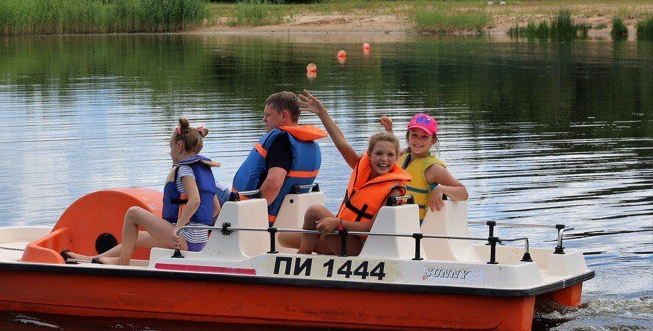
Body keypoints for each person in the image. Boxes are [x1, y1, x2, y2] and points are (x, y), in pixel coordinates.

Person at [66, 118, 219, 265]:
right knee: (137, 237)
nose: (170, 152)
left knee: (133, 213)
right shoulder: (202, 170)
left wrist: (178, 228)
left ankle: (122, 261)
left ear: (179, 147)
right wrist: (197, 229)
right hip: (198, 243)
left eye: (171, 147)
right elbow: (216, 209)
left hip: (185, 240)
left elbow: (195, 200)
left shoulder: (184, 170)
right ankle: (90, 259)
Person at [296, 90, 411, 255]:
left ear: (396, 158)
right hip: (346, 234)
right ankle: (306, 256)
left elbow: (371, 228)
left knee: (314, 211)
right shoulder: (360, 166)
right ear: (369, 155)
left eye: (390, 155)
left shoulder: (394, 189)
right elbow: (341, 142)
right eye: (379, 153)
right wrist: (322, 113)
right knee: (284, 238)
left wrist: (338, 222)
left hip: (365, 247)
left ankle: (302, 259)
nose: (384, 159)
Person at [231, 91, 327, 225]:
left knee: (208, 190)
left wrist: (250, 214)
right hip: (285, 219)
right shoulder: (310, 145)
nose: (264, 119)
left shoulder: (281, 142)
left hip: (258, 219)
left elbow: (274, 184)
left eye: (268, 115)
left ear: (284, 115)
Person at [381, 113, 468, 222]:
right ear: (408, 136)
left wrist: (441, 189)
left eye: (424, 136)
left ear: (433, 140)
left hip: (415, 227)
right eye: (414, 135)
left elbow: (463, 193)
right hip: (394, 221)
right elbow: (394, 150)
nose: (418, 141)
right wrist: (389, 130)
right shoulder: (403, 156)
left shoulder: (434, 169)